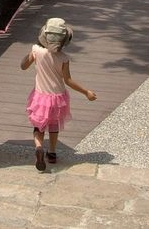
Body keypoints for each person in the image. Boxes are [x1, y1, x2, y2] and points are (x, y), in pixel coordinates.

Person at [20, 17, 96, 171]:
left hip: (40, 97)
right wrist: (86, 92)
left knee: (38, 126)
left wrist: (31, 54)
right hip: (58, 97)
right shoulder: (64, 58)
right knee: (54, 125)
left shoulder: (37, 51)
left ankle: (39, 146)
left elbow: (23, 66)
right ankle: (52, 152)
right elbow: (68, 80)